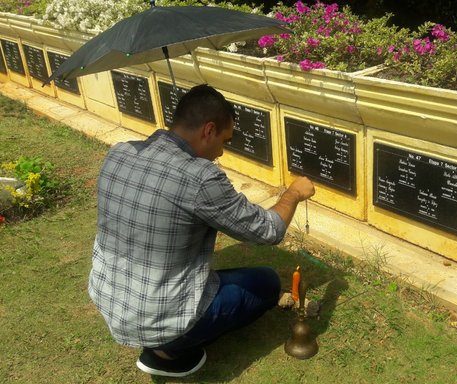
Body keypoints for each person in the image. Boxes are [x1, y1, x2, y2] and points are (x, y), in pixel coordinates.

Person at [88, 84, 315, 377]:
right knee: (269, 283)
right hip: (160, 318)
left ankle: (162, 339)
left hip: (111, 301)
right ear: (209, 130)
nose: (221, 152)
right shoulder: (201, 178)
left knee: (221, 279)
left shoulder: (118, 153)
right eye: (225, 140)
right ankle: (169, 348)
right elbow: (268, 231)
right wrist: (293, 194)